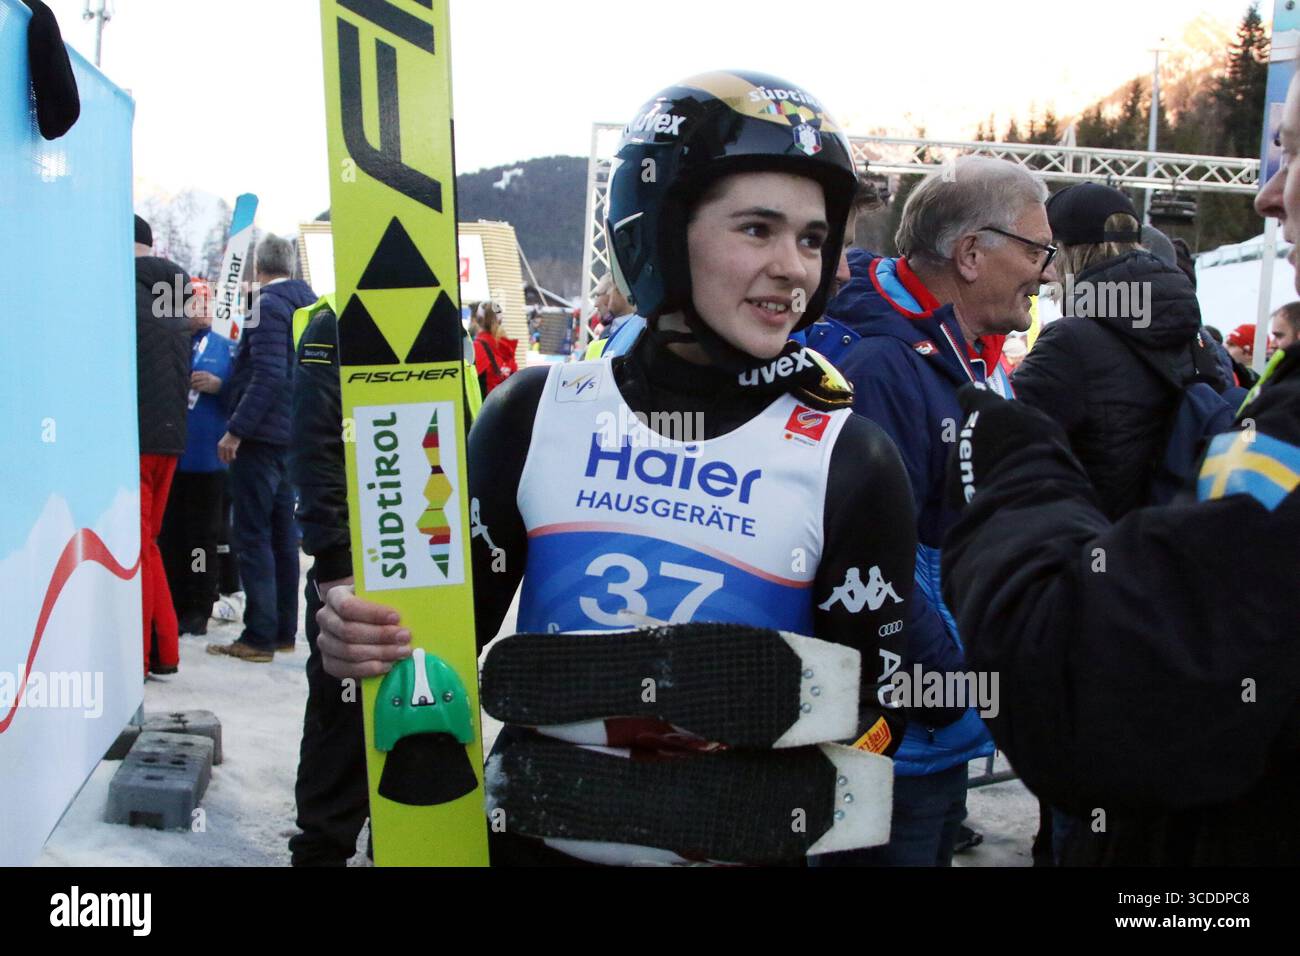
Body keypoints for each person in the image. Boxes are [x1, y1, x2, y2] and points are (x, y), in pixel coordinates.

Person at [313, 69, 917, 866]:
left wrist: (779, 764)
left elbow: (884, 709)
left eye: (812, 238)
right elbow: (433, 648)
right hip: (535, 842)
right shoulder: (535, 414)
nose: (794, 268)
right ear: (661, 231)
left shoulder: (851, 457)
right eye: (757, 230)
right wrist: (359, 642)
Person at [937, 63, 1300, 866]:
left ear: (1067, 255)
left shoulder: (1072, 342)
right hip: (1187, 635)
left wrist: (1015, 460)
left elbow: (1073, 684)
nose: (1268, 196)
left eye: (1291, 154)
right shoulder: (1193, 333)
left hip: (1125, 635)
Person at [801, 156, 1056, 866]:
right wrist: (953, 691)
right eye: (1038, 250)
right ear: (972, 254)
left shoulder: (967, 349)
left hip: (934, 732)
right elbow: (876, 560)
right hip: (902, 739)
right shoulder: (886, 363)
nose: (1050, 272)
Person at [1012, 183, 1231, 520]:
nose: (1043, 272)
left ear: (1068, 253)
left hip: (1096, 546)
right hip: (1178, 539)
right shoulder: (1198, 338)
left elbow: (1001, 448)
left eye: (1046, 252)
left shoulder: (1071, 342)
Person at [208, 235, 316, 663]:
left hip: (260, 438)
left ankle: (257, 636)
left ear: (258, 266)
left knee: (252, 536)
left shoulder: (264, 306)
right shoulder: (308, 305)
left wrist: (235, 429)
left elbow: (268, 374)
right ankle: (283, 630)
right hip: (293, 435)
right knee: (283, 537)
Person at [133, 214, 193, 676]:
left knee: (137, 549)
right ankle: (165, 652)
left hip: (134, 437)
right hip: (171, 437)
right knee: (148, 544)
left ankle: (141, 656)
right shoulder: (173, 289)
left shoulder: (120, 288)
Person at [159, 277, 234, 637]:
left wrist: (222, 387)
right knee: (171, 532)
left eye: (205, 303)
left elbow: (250, 387)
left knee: (202, 536)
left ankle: (198, 605)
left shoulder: (227, 343)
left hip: (209, 457)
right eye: (193, 303)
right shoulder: (172, 341)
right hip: (174, 452)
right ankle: (172, 600)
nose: (199, 311)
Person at [472, 300, 517, 397]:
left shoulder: (475, 348)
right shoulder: (507, 347)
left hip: (485, 408)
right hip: (506, 407)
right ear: (500, 321)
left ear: (478, 320)